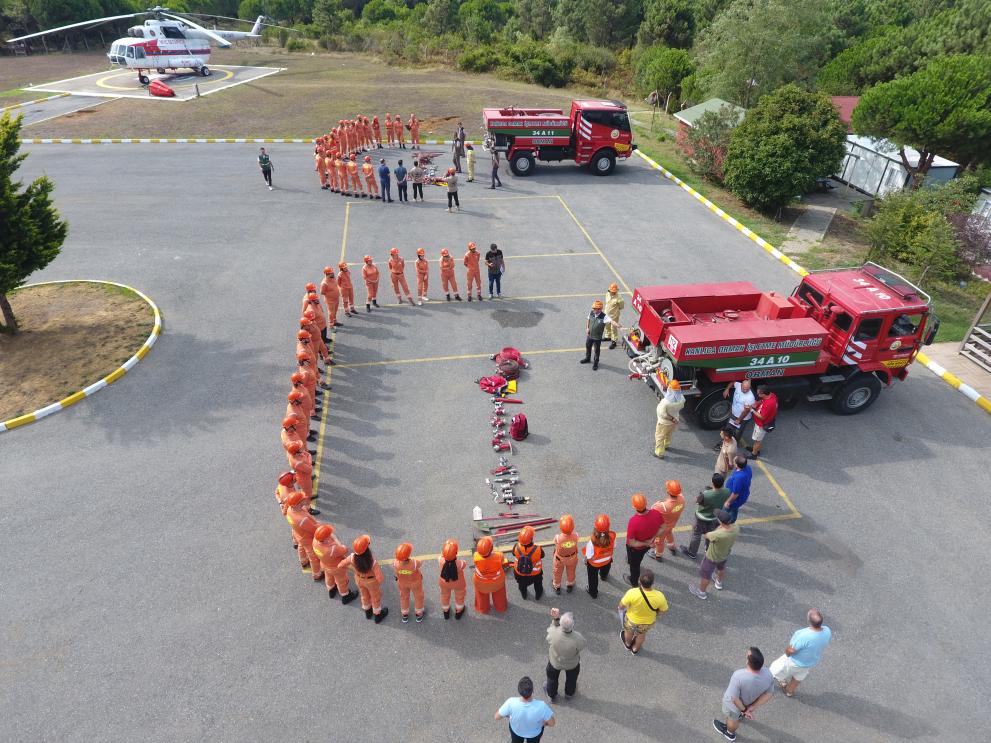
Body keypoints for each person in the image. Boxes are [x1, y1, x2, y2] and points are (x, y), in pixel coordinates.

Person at [714, 647, 774, 741]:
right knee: (738, 715)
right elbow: (768, 694)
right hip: (749, 703)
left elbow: (734, 699)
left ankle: (730, 733)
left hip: (734, 707)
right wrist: (752, 707)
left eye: (747, 656)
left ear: (748, 662)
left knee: (733, 719)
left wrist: (745, 710)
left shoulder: (738, 676)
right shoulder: (768, 674)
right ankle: (741, 715)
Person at [770, 609, 832, 698]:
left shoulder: (804, 635)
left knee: (775, 669)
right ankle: (789, 691)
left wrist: (787, 653)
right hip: (809, 662)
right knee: (798, 676)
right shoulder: (827, 630)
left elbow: (791, 650)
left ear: (809, 621)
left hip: (795, 662)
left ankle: (771, 683)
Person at [689, 509, 739, 600]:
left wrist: (718, 527)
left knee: (706, 575)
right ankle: (718, 582)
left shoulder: (718, 534)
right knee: (721, 568)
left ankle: (702, 593)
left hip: (712, 557)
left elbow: (707, 535)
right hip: (724, 554)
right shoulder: (736, 527)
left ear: (720, 522)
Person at [618, 569, 668, 655]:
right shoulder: (660, 596)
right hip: (647, 622)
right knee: (641, 635)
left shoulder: (632, 592)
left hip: (631, 620)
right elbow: (663, 611)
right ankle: (635, 649)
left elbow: (621, 606)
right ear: (652, 583)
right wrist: (656, 614)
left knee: (628, 632)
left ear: (639, 581)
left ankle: (628, 644)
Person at [341, 534, 389, 623]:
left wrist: (353, 570)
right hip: (371, 582)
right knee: (375, 598)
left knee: (364, 595)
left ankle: (368, 612)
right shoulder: (372, 562)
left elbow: (341, 565)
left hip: (359, 580)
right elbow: (380, 578)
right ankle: (377, 614)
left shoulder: (352, 557)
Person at [682, 473, 730, 560]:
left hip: (701, 517)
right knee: (710, 533)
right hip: (714, 517)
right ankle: (708, 549)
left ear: (712, 483)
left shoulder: (706, 494)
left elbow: (696, 501)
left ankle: (692, 552)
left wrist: (703, 494)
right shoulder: (727, 491)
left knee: (696, 534)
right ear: (723, 483)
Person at [495, 676, 555, 743]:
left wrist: (509, 715)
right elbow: (552, 723)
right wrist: (544, 723)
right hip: (534, 734)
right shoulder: (542, 706)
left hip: (516, 731)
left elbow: (497, 717)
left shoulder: (511, 702)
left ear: (519, 690)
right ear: (532, 690)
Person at [545, 608, 586, 701]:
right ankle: (569, 694)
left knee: (552, 679)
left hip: (555, 662)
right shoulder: (578, 638)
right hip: (572, 664)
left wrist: (556, 619)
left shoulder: (553, 633)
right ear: (573, 626)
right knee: (571, 680)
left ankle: (551, 695)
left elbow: (551, 632)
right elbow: (582, 646)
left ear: (560, 625)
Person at [312, 523, 358, 603]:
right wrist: (336, 540)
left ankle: (331, 589)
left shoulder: (315, 541)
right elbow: (344, 549)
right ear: (326, 538)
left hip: (324, 564)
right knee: (341, 581)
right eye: (328, 535)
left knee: (329, 577)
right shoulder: (332, 549)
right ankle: (345, 595)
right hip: (336, 567)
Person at [624, 493, 662, 587]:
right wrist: (652, 539)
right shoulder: (656, 513)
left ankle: (633, 581)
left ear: (634, 506)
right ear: (646, 503)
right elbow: (663, 527)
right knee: (637, 558)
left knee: (635, 566)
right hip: (646, 546)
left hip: (636, 549)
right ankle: (630, 560)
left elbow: (631, 543)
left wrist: (647, 542)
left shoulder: (633, 521)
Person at [284, 491, 322, 579]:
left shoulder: (290, 510)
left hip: (298, 534)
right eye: (302, 500)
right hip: (307, 538)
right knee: (313, 557)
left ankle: (303, 561)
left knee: (301, 547)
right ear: (297, 504)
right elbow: (314, 530)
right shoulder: (302, 519)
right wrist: (319, 525)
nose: (304, 500)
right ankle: (317, 574)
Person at [650, 479, 685, 561]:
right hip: (673, 523)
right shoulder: (682, 499)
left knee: (659, 542)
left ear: (668, 491)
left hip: (662, 527)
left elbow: (652, 510)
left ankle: (658, 555)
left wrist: (658, 502)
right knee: (669, 533)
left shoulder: (662, 506)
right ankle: (671, 546)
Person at [473, 536, 509, 614]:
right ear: (492, 548)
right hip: (497, 583)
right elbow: (503, 562)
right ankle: (501, 607)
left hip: (481, 583)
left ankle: (483, 608)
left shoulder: (475, 556)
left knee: (482, 596)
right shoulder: (499, 556)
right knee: (499, 595)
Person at [583, 514, 615, 598]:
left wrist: (585, 559)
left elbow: (589, 556)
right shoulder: (612, 537)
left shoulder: (592, 542)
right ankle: (604, 576)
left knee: (593, 578)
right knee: (605, 569)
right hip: (607, 561)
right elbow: (614, 546)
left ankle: (593, 592)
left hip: (594, 564)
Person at [393, 542, 425, 623]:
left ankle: (404, 614)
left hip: (402, 583)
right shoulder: (414, 563)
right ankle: (419, 614)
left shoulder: (395, 563)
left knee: (404, 597)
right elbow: (420, 563)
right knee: (418, 597)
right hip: (415, 583)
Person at [653, 379, 685, 458]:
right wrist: (673, 419)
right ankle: (666, 445)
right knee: (669, 434)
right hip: (674, 421)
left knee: (659, 436)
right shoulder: (681, 399)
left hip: (664, 422)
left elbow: (662, 413)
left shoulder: (666, 402)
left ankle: (659, 453)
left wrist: (670, 418)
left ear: (670, 389)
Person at [744, 385, 778, 459]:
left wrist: (751, 409)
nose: (758, 395)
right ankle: (755, 449)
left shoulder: (768, 404)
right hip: (762, 422)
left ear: (764, 394)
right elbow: (762, 401)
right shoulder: (771, 395)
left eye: (759, 394)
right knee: (757, 439)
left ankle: (754, 454)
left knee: (758, 440)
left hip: (761, 425)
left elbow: (762, 417)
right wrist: (757, 403)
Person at [718, 380, 754, 447]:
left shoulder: (750, 397)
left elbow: (746, 411)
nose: (745, 390)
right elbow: (732, 382)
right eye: (743, 388)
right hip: (733, 414)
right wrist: (727, 389)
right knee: (728, 429)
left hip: (742, 418)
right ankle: (724, 443)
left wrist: (739, 420)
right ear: (741, 385)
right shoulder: (738, 385)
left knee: (737, 433)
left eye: (747, 389)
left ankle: (733, 445)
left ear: (750, 388)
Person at [512, 525, 544, 600]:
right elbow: (542, 555)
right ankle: (538, 594)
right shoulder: (538, 549)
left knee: (522, 585)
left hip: (520, 572)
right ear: (531, 539)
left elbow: (513, 553)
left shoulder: (516, 547)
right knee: (538, 584)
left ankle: (524, 594)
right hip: (535, 573)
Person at [438, 539, 467, 619]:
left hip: (444, 583)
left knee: (444, 596)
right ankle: (459, 611)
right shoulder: (460, 564)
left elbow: (440, 556)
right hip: (458, 584)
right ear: (456, 553)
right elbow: (465, 563)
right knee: (459, 596)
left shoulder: (440, 560)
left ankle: (446, 611)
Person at [550, 514, 579, 594]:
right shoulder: (576, 536)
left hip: (560, 559)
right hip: (572, 558)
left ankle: (557, 585)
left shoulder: (558, 538)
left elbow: (555, 544)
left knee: (557, 572)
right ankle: (570, 584)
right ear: (573, 527)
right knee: (571, 571)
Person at [579, 300, 608, 370]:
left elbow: (611, 321)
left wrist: (618, 325)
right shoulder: (591, 313)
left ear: (600, 309)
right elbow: (588, 319)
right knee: (588, 347)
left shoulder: (604, 317)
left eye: (595, 309)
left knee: (596, 350)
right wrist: (587, 328)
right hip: (590, 335)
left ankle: (596, 363)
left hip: (597, 338)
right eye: (593, 308)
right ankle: (587, 358)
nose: (594, 309)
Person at [723, 456, 752, 523]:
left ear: (737, 465)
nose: (733, 461)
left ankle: (730, 521)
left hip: (735, 499)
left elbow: (735, 494)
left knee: (731, 509)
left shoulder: (739, 478)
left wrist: (728, 502)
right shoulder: (747, 468)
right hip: (743, 493)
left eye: (734, 461)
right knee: (734, 509)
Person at [320, 266, 342, 330]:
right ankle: (331, 325)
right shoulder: (324, 283)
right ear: (327, 274)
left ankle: (335, 321)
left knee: (335, 310)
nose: (333, 274)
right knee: (331, 313)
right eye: (331, 273)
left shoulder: (333, 278)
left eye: (332, 272)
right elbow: (322, 292)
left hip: (336, 298)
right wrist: (330, 295)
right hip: (330, 301)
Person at [603, 283, 624, 349]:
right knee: (607, 325)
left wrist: (615, 310)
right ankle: (608, 336)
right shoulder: (607, 294)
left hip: (614, 316)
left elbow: (621, 306)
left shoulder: (619, 298)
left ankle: (614, 341)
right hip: (606, 314)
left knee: (613, 328)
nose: (612, 293)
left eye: (614, 292)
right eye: (611, 291)